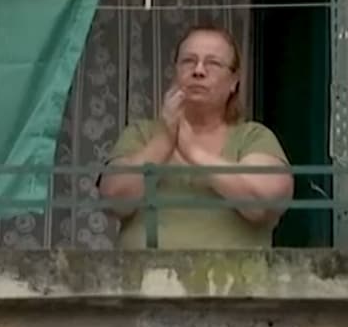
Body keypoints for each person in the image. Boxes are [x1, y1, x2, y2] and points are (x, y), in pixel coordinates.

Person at [98, 24, 293, 249]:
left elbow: (265, 203)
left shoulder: (253, 137)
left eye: (213, 63)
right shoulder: (141, 134)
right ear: (176, 72)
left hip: (234, 281)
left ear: (234, 82)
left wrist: (193, 152)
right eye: (188, 61)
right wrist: (164, 141)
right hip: (145, 281)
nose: (198, 71)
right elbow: (113, 201)